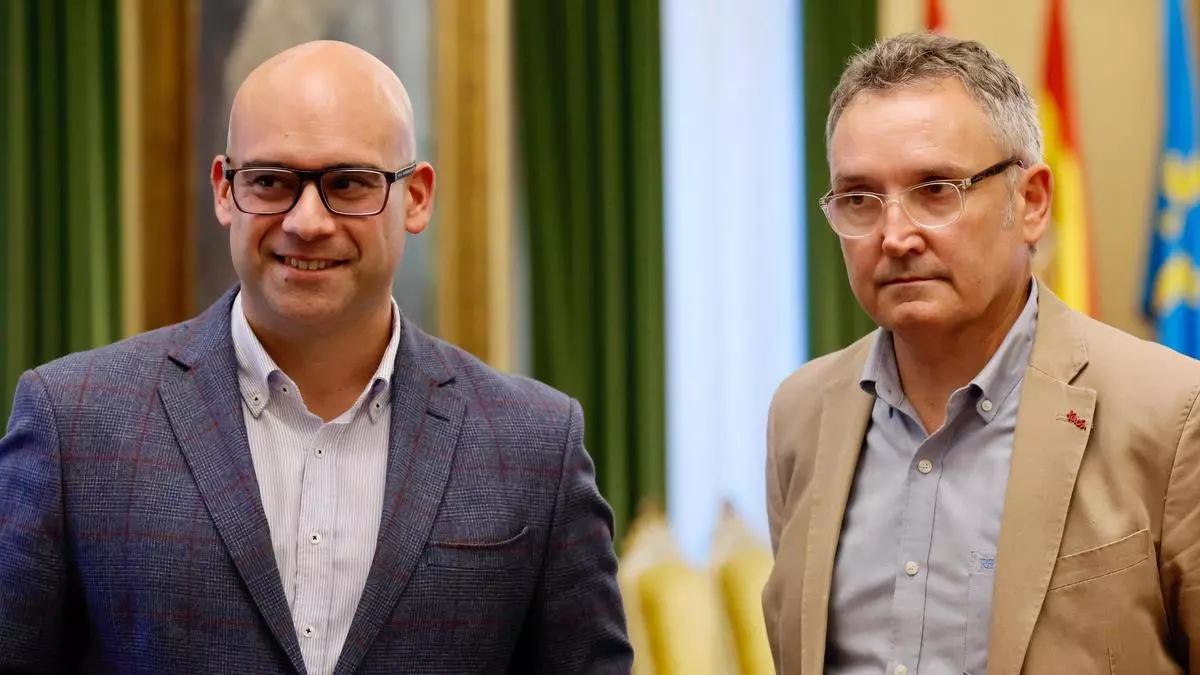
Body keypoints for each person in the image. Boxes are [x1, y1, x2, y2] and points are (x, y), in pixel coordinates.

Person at [0, 40, 632, 674]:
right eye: (270, 181)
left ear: (416, 197)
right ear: (224, 191)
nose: (307, 222)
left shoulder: (536, 446)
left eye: (348, 183)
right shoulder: (73, 425)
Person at [762, 32, 1200, 675]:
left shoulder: (1172, 413)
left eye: (936, 189)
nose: (895, 235)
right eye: (859, 199)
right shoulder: (801, 414)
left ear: (1032, 202)